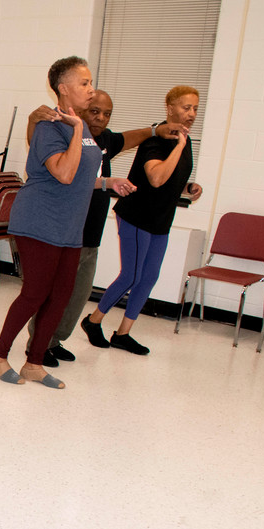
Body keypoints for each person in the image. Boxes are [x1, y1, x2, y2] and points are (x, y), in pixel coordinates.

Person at [24, 91, 175, 366]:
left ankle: (54, 340)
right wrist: (32, 121)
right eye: (95, 112)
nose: (101, 118)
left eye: (107, 114)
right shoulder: (69, 136)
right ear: (81, 109)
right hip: (67, 232)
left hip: (91, 236)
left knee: (78, 296)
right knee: (55, 294)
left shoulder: (105, 140)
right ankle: (38, 343)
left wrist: (155, 130)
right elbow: (37, 146)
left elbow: (129, 137)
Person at [0, 56, 102, 390]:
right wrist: (76, 129)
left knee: (60, 296)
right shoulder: (50, 126)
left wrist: (108, 182)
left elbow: (82, 175)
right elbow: (64, 173)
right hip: (39, 221)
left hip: (69, 226)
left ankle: (34, 363)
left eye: (91, 82)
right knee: (35, 293)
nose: (91, 89)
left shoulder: (80, 126)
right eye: (84, 83)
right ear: (63, 88)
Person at [81, 86, 204, 355]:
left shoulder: (184, 141)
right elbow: (156, 178)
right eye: (186, 107)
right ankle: (93, 320)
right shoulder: (157, 141)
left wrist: (188, 187)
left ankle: (123, 333)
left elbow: (170, 179)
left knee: (148, 277)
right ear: (170, 108)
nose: (192, 113)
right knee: (131, 275)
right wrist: (179, 146)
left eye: (195, 108)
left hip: (160, 218)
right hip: (137, 215)